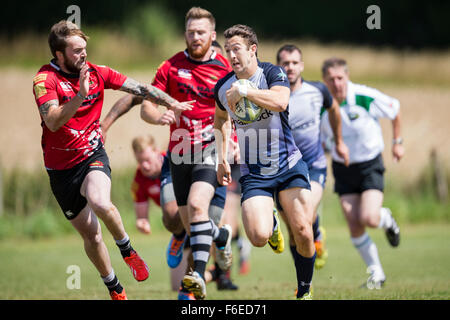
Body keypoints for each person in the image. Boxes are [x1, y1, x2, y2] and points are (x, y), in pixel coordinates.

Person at [32, 20, 193, 300]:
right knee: (92, 237)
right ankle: (115, 288)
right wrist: (80, 94)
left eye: (85, 48)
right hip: (60, 171)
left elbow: (139, 89)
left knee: (100, 200)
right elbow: (54, 122)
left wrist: (170, 102)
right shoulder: (44, 80)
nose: (83, 54)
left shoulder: (98, 72)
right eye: (76, 51)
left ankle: (127, 249)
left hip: (92, 154)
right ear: (59, 54)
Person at [214, 24, 316, 300]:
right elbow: (221, 119)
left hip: (288, 164)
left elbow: (281, 102)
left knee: (304, 231)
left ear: (252, 49)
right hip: (255, 172)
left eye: (237, 49)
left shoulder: (272, 73)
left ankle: (304, 290)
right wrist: (223, 157)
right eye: (228, 51)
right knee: (258, 237)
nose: (232, 56)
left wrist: (246, 91)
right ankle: (270, 221)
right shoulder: (223, 87)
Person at [320, 57, 403, 288]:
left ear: (347, 77)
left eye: (340, 78)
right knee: (353, 221)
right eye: (331, 79)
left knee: (369, 217)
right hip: (343, 167)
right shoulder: (321, 105)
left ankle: (387, 220)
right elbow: (318, 136)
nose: (337, 84)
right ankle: (376, 273)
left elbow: (395, 109)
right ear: (325, 81)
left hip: (369, 164)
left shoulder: (364, 96)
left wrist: (398, 142)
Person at [276, 44, 350, 270]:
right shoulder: (270, 95)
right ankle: (303, 277)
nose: (290, 67)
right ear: (277, 66)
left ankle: (316, 232)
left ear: (302, 65)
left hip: (313, 166)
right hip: (283, 169)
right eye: (285, 63)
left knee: (303, 219)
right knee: (292, 228)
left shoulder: (317, 91)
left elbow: (334, 110)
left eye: (294, 63)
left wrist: (338, 141)